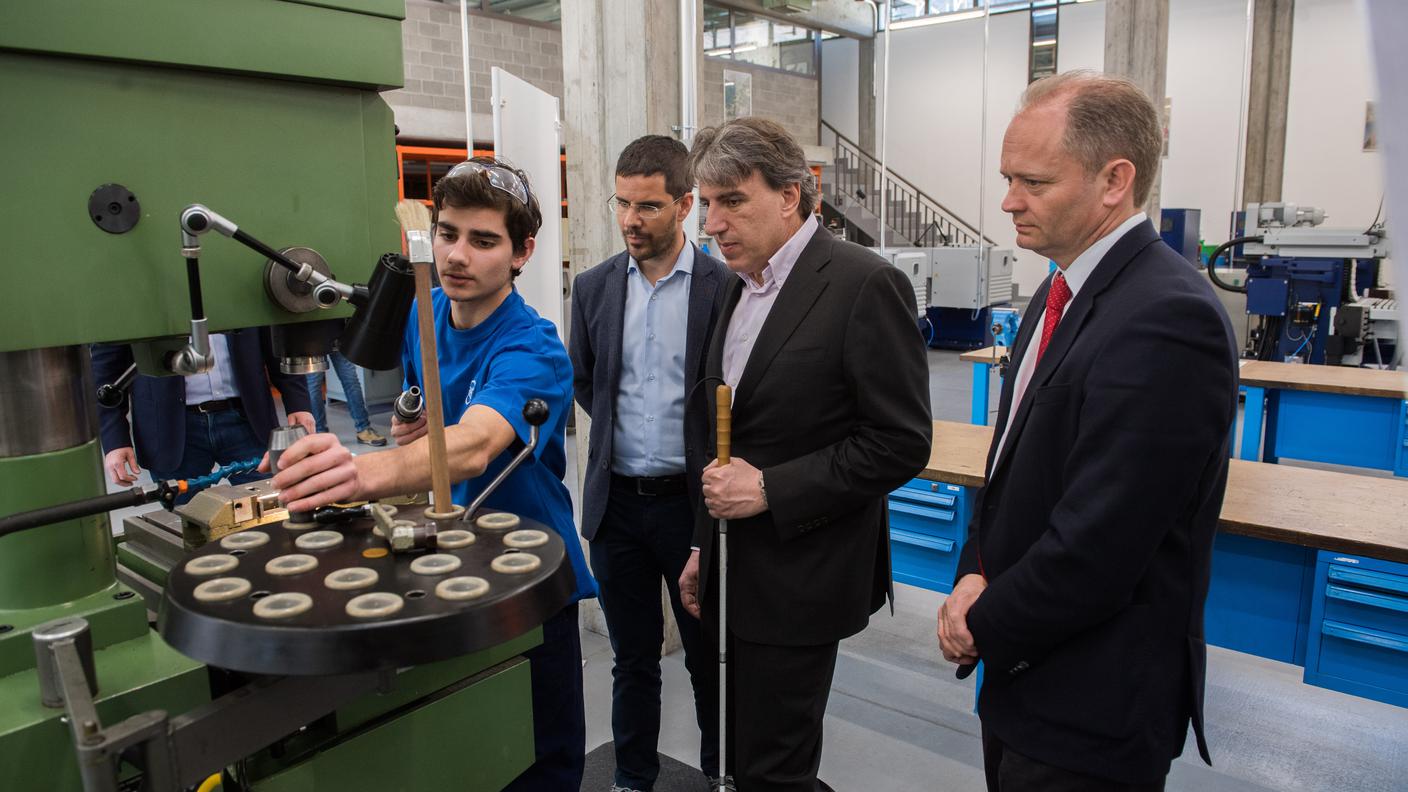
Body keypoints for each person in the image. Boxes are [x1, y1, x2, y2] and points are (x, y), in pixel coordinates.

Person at [937, 70, 1239, 791]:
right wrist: (975, 569)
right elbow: (1012, 469)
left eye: (1033, 182)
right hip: (1024, 678)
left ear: (1114, 180)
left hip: (1092, 708)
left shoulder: (1168, 316)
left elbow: (1101, 543)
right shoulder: (1057, 287)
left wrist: (982, 622)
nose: (1009, 200)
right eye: (1008, 177)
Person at [267, 157, 596, 790]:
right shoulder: (429, 309)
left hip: (526, 574)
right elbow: (434, 424)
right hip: (445, 561)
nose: (458, 254)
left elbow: (473, 447)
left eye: (483, 240)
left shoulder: (535, 347)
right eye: (447, 233)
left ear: (523, 251)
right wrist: (416, 430)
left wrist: (362, 473)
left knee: (541, 758)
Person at [677, 117, 932, 791]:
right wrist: (704, 545)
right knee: (731, 750)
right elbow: (718, 430)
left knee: (775, 769)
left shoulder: (861, 286)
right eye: (706, 203)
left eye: (731, 200)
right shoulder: (735, 285)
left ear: (791, 195)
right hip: (730, 567)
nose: (712, 222)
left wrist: (771, 491)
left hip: (800, 576)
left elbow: (900, 441)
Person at [570, 135, 728, 792]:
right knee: (631, 659)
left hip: (693, 511)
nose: (631, 220)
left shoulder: (725, 289)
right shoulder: (594, 287)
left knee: (706, 661)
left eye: (649, 206)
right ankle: (632, 778)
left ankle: (722, 774)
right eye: (622, 204)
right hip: (618, 511)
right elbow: (586, 381)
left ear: (686, 204)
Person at [92, 328, 315, 500]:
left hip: (246, 419)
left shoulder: (232, 279)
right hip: (172, 429)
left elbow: (274, 339)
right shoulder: (132, 291)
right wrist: (115, 439)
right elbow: (106, 372)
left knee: (271, 505)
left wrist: (298, 402)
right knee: (187, 521)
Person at [305, 346, 387, 446]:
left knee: (351, 380)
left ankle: (364, 429)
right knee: (313, 385)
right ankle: (320, 433)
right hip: (313, 339)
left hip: (336, 336)